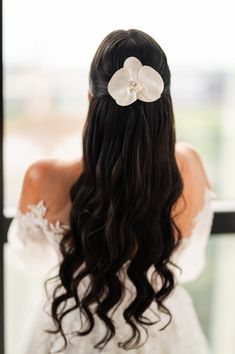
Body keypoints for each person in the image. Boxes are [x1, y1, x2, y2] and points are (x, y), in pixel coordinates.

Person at [7, 29, 215, 354]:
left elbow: (32, 262)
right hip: (162, 322)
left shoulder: (43, 176)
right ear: (166, 103)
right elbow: (190, 263)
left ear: (90, 99)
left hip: (73, 327)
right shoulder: (190, 165)